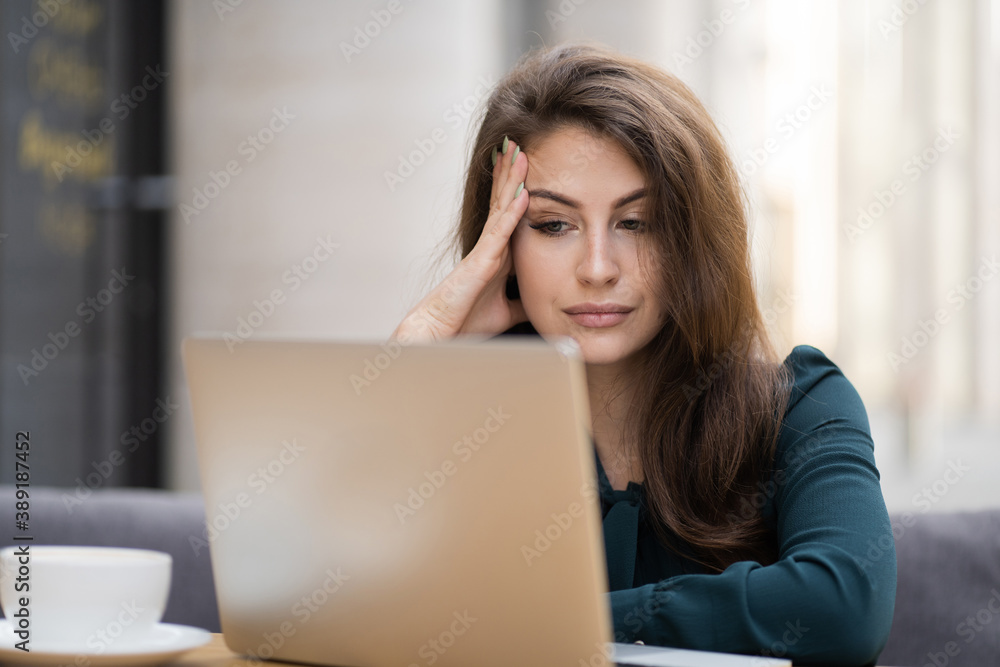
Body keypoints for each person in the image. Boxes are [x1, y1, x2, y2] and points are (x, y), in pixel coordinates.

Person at [390, 42, 896, 666]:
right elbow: (331, 598)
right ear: (502, 246)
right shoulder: (466, 415)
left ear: (691, 243)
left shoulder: (800, 404)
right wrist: (415, 360)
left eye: (637, 223)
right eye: (553, 225)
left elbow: (843, 610)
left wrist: (559, 623)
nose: (598, 269)